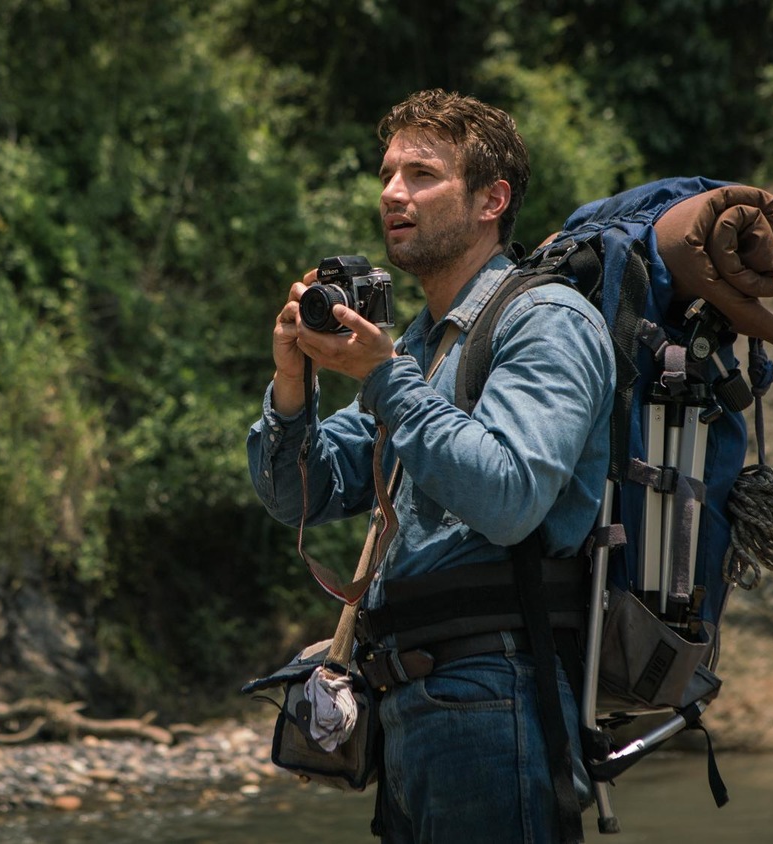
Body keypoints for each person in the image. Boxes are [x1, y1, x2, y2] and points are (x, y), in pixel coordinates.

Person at [246, 88, 615, 842]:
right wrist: (294, 383)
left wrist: (384, 379)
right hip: (409, 706)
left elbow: (510, 497)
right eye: (387, 174)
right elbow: (300, 496)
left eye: (421, 174)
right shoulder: (418, 346)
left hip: (496, 693)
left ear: (491, 200)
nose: (392, 192)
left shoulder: (547, 322)